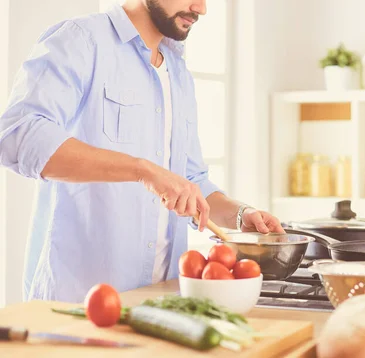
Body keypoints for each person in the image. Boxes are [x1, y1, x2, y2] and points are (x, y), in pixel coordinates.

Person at [0, 0, 284, 303]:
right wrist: (142, 170)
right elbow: (19, 135)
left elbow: (189, 181)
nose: (200, 8)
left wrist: (241, 215)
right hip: (78, 306)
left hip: (161, 306)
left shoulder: (177, 72)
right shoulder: (81, 40)